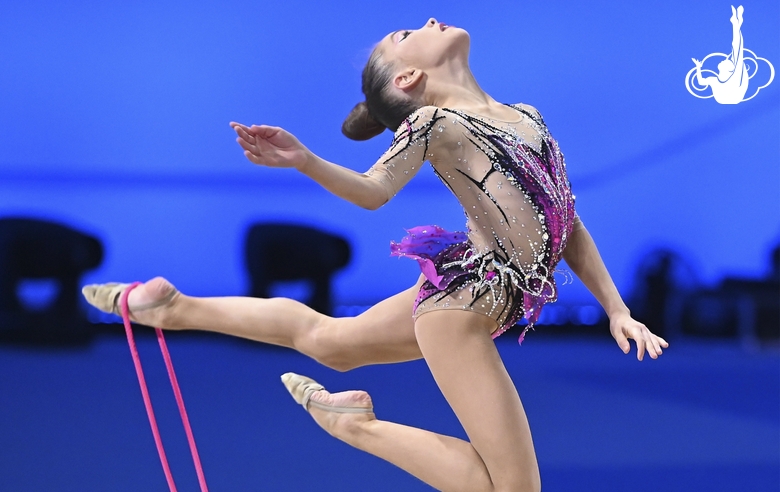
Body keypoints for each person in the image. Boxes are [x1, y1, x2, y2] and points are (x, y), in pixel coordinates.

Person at [83, 18, 669, 492]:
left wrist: (616, 308)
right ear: (411, 76)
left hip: (472, 288)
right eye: (408, 32)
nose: (431, 19)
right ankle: (358, 429)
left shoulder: (528, 116)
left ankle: (172, 307)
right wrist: (306, 161)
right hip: (463, 309)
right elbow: (373, 190)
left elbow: (564, 219)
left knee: (332, 345)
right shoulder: (435, 122)